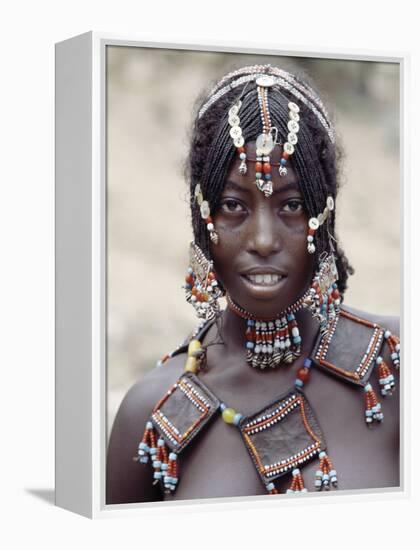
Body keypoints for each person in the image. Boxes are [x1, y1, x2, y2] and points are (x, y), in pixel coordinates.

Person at [106, 64, 400, 504]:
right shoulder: (150, 415)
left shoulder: (394, 366)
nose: (263, 240)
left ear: (324, 217)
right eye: (232, 206)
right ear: (202, 220)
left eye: (293, 205)